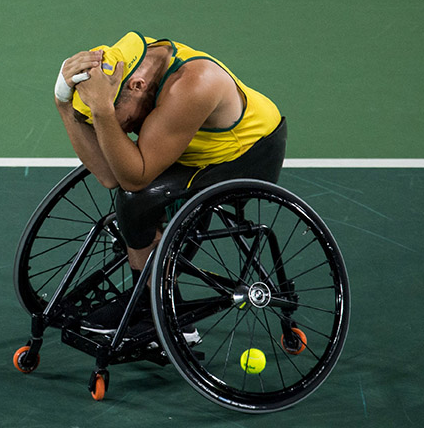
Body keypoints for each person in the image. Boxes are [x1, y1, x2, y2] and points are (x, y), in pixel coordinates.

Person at [54, 31, 287, 331]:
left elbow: (133, 179)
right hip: (189, 146)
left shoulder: (191, 84)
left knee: (137, 199)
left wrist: (103, 110)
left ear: (136, 85)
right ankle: (148, 298)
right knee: (134, 194)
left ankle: (158, 310)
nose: (121, 128)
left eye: (118, 116)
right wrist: (63, 102)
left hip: (246, 155)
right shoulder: (132, 63)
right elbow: (110, 174)